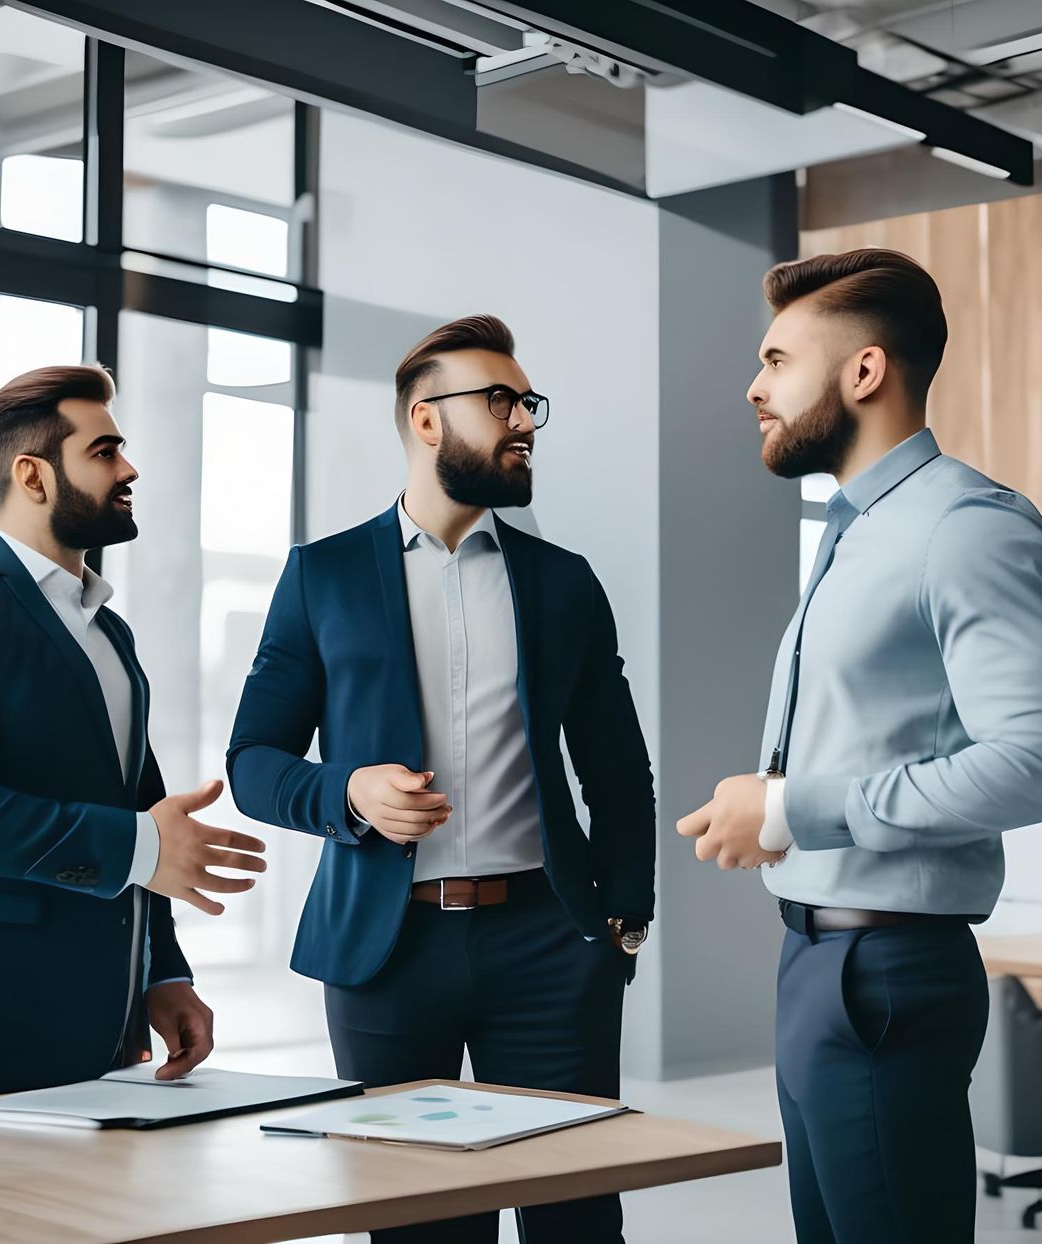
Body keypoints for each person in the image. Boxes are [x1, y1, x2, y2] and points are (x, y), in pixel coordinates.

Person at [677, 250, 1042, 1243]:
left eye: (777, 359)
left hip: (886, 972)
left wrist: (788, 808)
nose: (753, 385)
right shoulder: (856, 531)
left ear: (863, 372)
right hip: (815, 961)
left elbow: (1041, 760)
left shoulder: (966, 526)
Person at [227, 315, 654, 1243]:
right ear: (427, 420)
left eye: (528, 403)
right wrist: (348, 793)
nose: (525, 422)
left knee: (574, 1208)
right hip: (387, 955)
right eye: (500, 401)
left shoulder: (565, 583)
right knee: (416, 1221)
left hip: (551, 944)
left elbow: (619, 770)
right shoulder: (322, 577)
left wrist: (622, 922)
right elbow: (252, 763)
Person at [0, 365, 266, 1095]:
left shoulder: (111, 631)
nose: (128, 467)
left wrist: (161, 971)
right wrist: (137, 844)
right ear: (33, 475)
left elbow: (142, 817)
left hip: (102, 1036)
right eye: (104, 452)